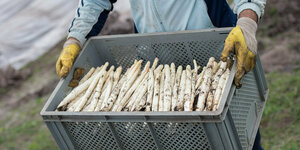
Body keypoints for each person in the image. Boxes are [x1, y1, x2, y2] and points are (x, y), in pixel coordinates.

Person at [56, 0, 265, 149]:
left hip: (216, 55)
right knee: (180, 139)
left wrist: (246, 21)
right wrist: (74, 39)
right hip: (157, 67)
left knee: (236, 137)